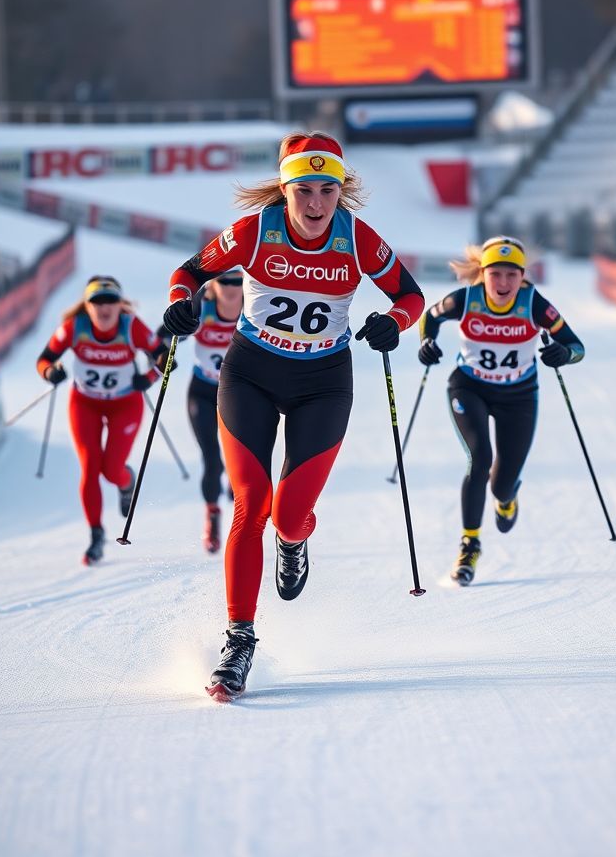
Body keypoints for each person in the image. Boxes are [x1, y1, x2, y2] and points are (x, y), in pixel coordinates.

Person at [162, 131, 424, 700]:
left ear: (340, 191)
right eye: (302, 190)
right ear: (284, 191)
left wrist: (392, 324)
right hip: (251, 374)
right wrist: (180, 304)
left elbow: (411, 298)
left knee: (288, 515)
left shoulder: (357, 239)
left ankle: (294, 540)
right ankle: (239, 638)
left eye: (326, 190)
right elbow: (189, 272)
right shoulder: (256, 230)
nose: (314, 204)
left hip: (323, 384)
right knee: (251, 505)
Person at [418, 236, 585, 585]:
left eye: (512, 275)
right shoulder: (464, 299)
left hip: (519, 396)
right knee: (479, 458)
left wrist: (563, 355)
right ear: (483, 274)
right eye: (496, 274)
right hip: (469, 387)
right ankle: (469, 545)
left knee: (502, 485)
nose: (504, 283)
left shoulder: (534, 304)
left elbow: (576, 345)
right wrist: (427, 344)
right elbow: (429, 318)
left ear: (523, 276)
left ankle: (507, 498)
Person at [35, 275, 167, 565]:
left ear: (120, 305)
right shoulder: (74, 328)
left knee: (111, 469)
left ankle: (125, 481)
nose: (104, 308)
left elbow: (165, 357)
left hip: (125, 404)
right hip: (85, 404)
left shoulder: (131, 327)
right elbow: (43, 360)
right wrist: (50, 372)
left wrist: (148, 378)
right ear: (87, 306)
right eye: (97, 302)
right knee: (89, 466)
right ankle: (96, 535)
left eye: (111, 301)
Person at [158, 270, 243, 554]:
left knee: (240, 457)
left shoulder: (254, 307)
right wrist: (162, 354)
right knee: (211, 459)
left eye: (238, 282)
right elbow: (162, 336)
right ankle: (212, 515)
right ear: (213, 285)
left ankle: (240, 500)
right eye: (225, 281)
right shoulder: (201, 306)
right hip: (203, 391)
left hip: (239, 393)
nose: (232, 288)